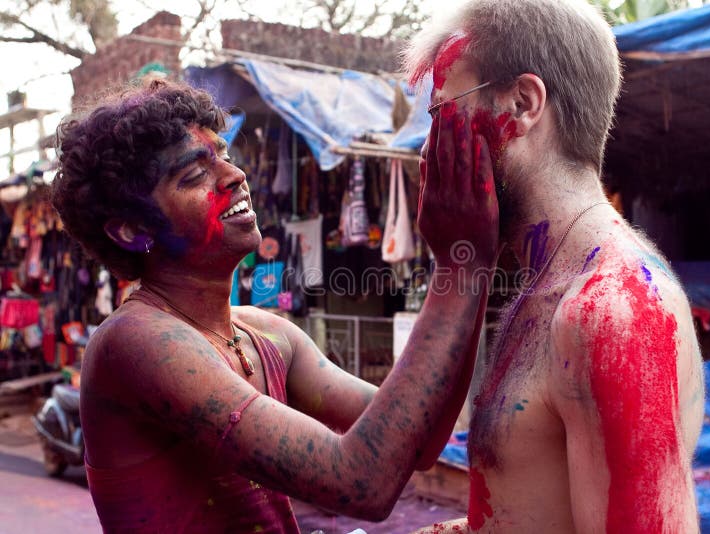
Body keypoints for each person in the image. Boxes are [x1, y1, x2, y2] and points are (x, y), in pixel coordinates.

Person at [51, 77, 499, 532]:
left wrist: (478, 258)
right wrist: (459, 264)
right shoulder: (137, 341)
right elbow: (363, 481)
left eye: (224, 157)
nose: (235, 176)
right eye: (194, 175)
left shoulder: (267, 334)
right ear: (130, 230)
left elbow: (420, 441)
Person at [404, 0, 705, 532]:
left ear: (522, 103)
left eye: (442, 113)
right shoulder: (546, 288)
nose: (429, 148)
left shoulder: (612, 309)